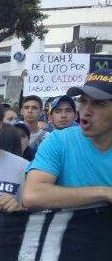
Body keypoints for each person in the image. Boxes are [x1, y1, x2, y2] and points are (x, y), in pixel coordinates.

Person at [23, 69, 112, 209]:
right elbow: (32, 195)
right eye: (83, 101)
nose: (86, 111)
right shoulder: (58, 141)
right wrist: (104, 192)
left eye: (99, 104)